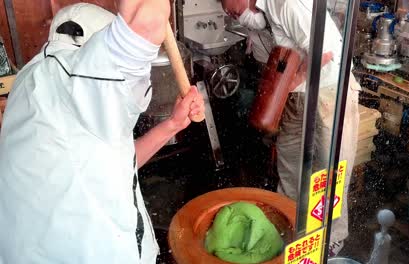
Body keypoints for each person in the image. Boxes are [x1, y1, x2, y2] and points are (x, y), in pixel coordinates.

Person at [0, 1, 204, 263]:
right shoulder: (84, 79)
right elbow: (148, 15)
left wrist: (172, 125)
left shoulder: (28, 81)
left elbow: (113, 163)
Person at [220, 0, 361, 256]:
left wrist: (293, 80)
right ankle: (290, 226)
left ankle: (330, 239)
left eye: (230, 8)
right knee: (289, 162)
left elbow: (324, 52)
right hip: (298, 95)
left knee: (328, 171)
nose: (228, 12)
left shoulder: (284, 4)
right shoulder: (264, 16)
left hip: (328, 91)